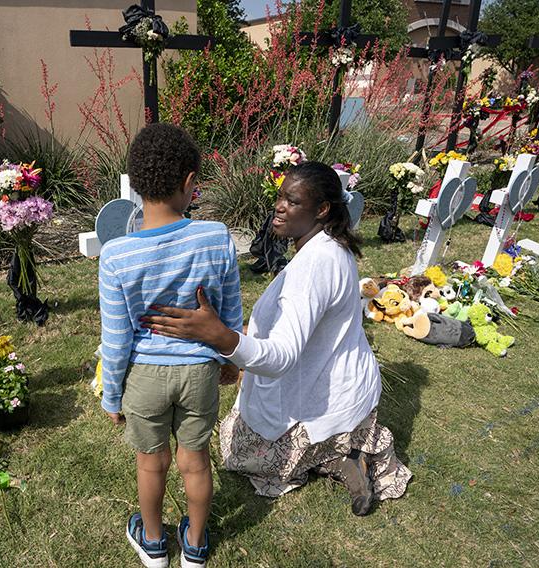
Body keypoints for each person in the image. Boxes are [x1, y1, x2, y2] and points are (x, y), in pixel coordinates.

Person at [141, 161, 412, 515]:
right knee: (240, 434)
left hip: (326, 393)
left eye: (293, 201)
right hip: (340, 379)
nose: (279, 206)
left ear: (322, 209)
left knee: (238, 454)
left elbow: (281, 358)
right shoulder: (329, 244)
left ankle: (341, 456)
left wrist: (220, 337)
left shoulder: (315, 266)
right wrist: (236, 358)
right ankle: (341, 453)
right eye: (281, 196)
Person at [99, 123, 243, 567]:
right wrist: (229, 358)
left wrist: (112, 393)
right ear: (188, 183)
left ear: (136, 186)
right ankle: (196, 547)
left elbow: (117, 336)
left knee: (151, 462)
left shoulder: (116, 255)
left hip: (144, 375)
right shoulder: (216, 236)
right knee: (196, 461)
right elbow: (228, 308)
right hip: (199, 370)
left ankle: (155, 542)